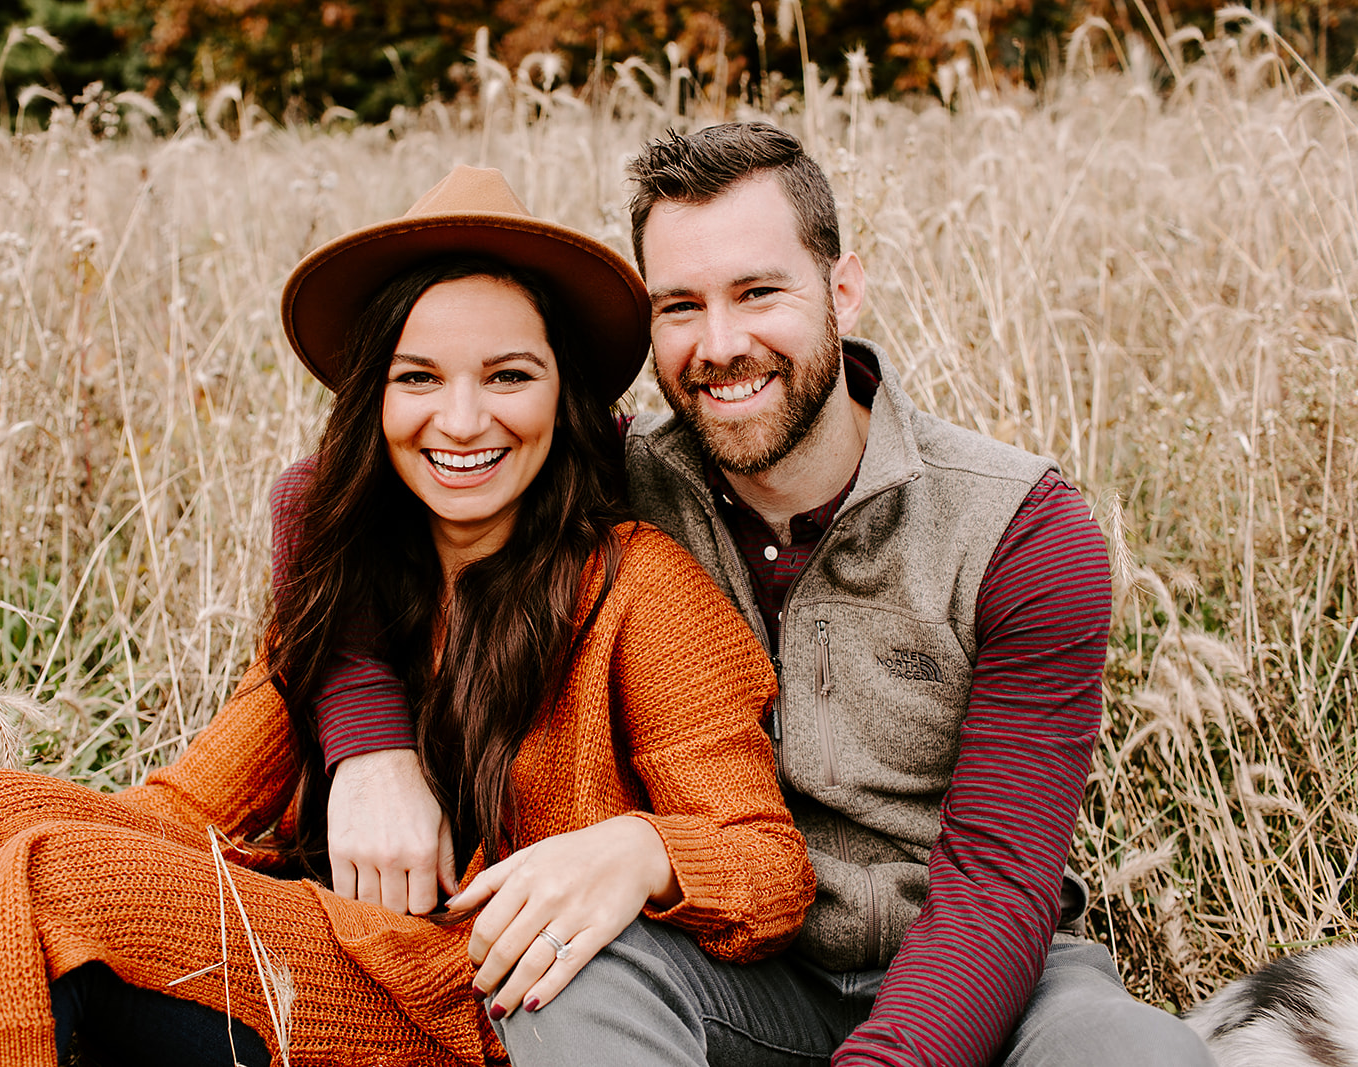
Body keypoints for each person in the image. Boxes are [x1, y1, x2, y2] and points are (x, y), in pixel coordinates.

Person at [0, 165, 814, 1067]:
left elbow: (768, 866)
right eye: (418, 378)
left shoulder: (640, 589)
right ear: (374, 401)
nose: (460, 418)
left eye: (508, 376)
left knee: (48, 881)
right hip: (327, 948)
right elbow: (184, 809)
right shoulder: (351, 593)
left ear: (565, 400)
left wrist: (638, 849)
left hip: (464, 1003)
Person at [309, 126, 1218, 1065]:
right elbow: (328, 492)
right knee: (558, 978)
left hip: (990, 970)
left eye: (758, 292)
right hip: (729, 970)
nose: (721, 344)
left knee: (1140, 1056)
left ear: (842, 288)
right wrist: (370, 744)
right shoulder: (616, 477)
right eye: (680, 306)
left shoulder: (1017, 528)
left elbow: (997, 882)